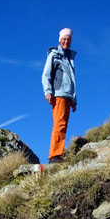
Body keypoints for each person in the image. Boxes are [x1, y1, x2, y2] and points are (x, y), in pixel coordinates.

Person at [41, 28, 77, 163]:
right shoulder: (54, 55)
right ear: (60, 40)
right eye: (64, 39)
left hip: (67, 95)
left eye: (68, 39)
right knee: (59, 124)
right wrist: (48, 91)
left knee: (63, 125)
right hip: (59, 93)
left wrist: (74, 99)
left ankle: (58, 153)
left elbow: (72, 81)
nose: (66, 41)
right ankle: (54, 155)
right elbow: (46, 75)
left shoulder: (69, 58)